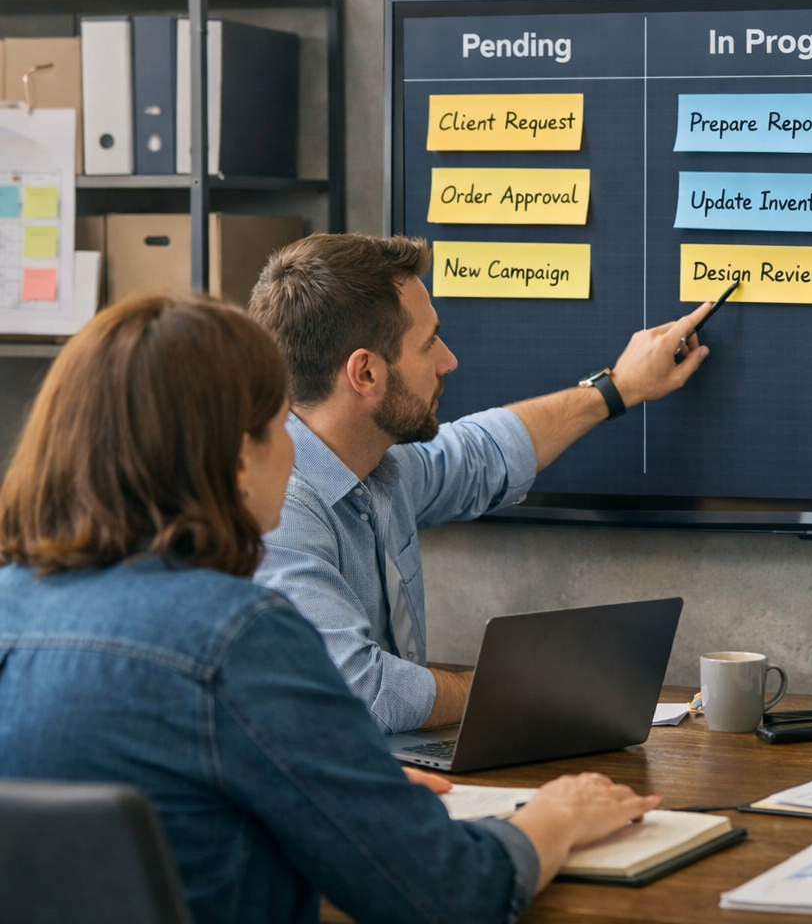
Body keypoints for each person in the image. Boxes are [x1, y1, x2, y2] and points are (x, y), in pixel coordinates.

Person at [0, 295, 660, 924]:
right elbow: (448, 895)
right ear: (235, 460)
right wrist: (553, 819)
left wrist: (343, 780)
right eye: (277, 426)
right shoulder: (239, 637)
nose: (294, 450)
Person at [247, 233, 713, 733]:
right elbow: (364, 691)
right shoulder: (277, 510)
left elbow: (480, 454)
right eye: (428, 344)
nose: (449, 360)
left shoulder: (380, 467)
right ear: (365, 373)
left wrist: (619, 387)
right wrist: (519, 684)